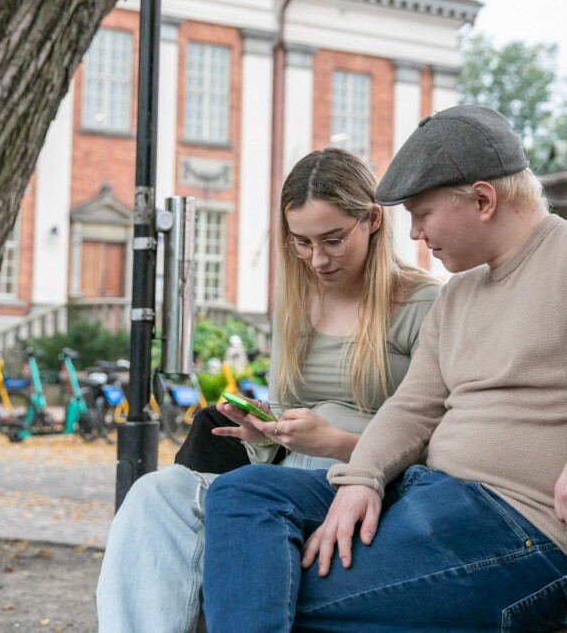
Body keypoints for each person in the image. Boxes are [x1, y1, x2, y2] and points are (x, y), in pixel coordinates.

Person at [200, 105, 567, 632]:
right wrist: (363, 477)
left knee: (283, 595)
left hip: (523, 535)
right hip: (429, 497)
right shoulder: (460, 293)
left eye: (422, 215)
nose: (415, 235)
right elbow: (414, 406)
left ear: (483, 199)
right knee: (243, 494)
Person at [95, 147, 441, 632]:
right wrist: (264, 434)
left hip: (366, 487)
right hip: (277, 482)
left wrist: (337, 443)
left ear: (373, 221)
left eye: (333, 240)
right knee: (154, 493)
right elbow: (286, 415)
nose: (317, 259)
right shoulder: (298, 303)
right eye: (301, 242)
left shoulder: (424, 305)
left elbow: (443, 442)